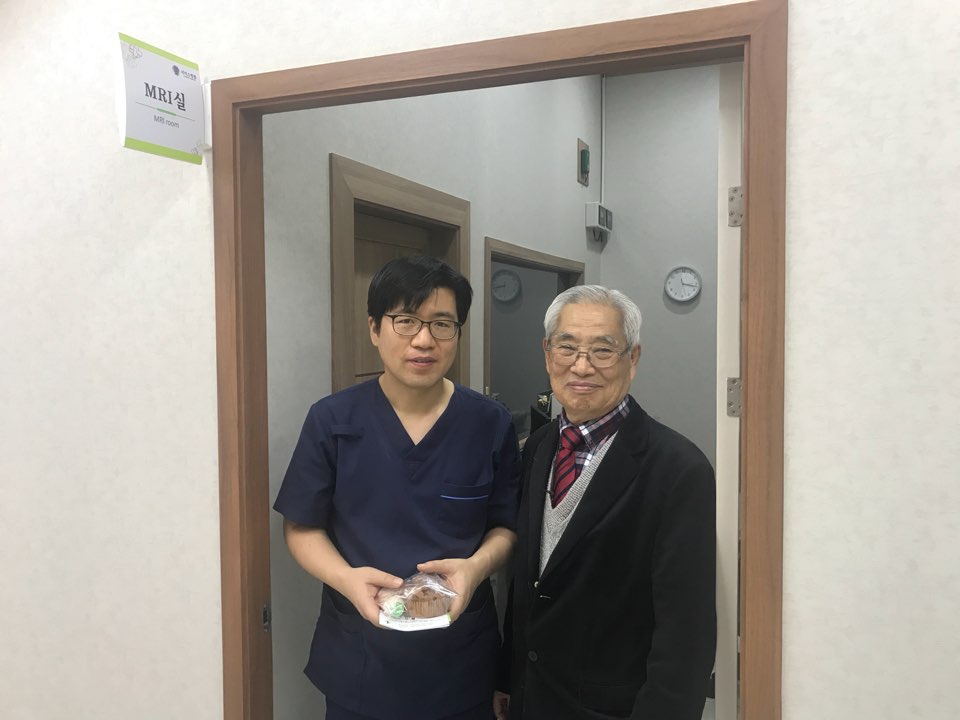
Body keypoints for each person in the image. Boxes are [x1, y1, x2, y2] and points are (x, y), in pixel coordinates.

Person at [274, 255, 520, 720]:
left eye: (442, 324)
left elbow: (506, 527)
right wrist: (346, 579)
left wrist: (475, 568)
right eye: (405, 320)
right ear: (374, 328)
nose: (424, 340)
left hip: (460, 662)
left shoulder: (489, 423)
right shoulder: (332, 420)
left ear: (458, 333)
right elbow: (301, 527)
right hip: (360, 660)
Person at [495, 285, 716, 720]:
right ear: (547, 354)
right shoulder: (538, 446)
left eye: (602, 350)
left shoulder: (678, 469)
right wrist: (507, 675)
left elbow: (686, 633)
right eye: (567, 347)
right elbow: (527, 580)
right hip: (531, 698)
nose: (582, 366)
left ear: (632, 359)